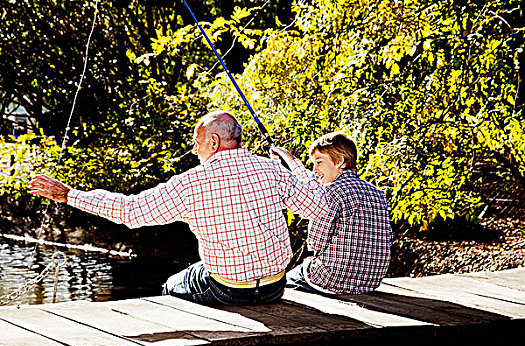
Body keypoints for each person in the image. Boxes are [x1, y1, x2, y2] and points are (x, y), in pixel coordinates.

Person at [28, 110, 327, 305]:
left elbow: (130, 212)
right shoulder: (272, 170)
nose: (195, 151)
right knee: (196, 270)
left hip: (231, 291)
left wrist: (69, 195)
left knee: (172, 285)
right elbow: (316, 206)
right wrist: (295, 166)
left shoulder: (191, 183)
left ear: (213, 141)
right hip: (277, 285)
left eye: (197, 143)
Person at [270, 132, 392, 295]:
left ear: (340, 161)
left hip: (331, 279)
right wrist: (290, 160)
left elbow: (315, 243)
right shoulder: (378, 193)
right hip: (371, 281)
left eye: (319, 163)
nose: (315, 170)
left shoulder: (328, 192)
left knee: (283, 283)